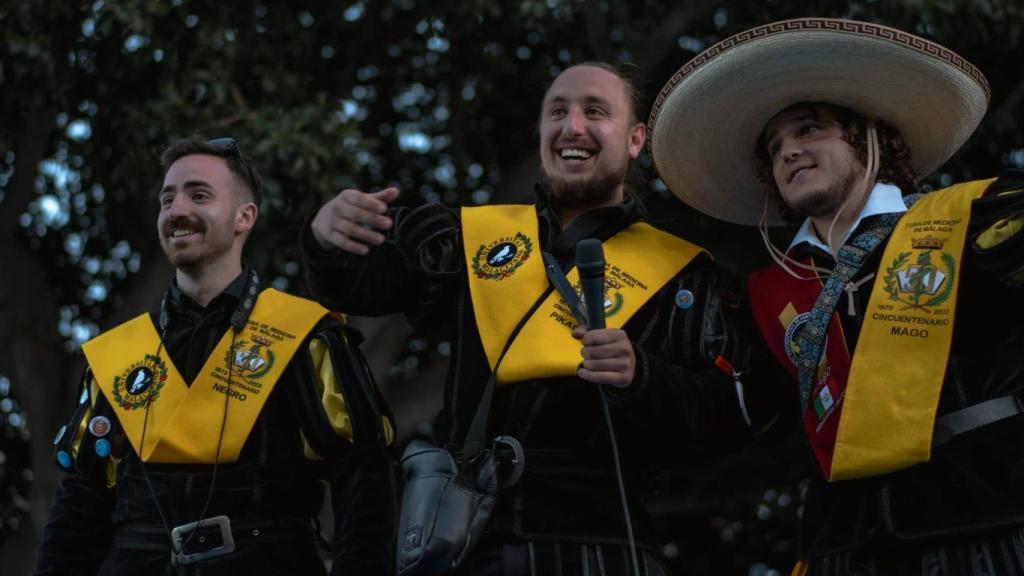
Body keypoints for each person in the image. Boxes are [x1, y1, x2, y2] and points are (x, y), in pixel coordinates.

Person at [301, 63, 772, 575]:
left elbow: (740, 416)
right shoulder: (471, 238)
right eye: (557, 112)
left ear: (636, 140)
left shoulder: (685, 276)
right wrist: (327, 238)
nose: (572, 126)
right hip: (468, 540)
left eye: (595, 111)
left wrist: (642, 376)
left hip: (604, 546)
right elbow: (360, 286)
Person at [648, 17, 1024, 575]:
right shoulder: (767, 294)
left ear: (867, 135)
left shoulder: (972, 216)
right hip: (842, 546)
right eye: (775, 149)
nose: (789, 153)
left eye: (808, 130)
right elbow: (735, 415)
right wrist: (637, 376)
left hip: (991, 522)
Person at [33, 137, 396, 575]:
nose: (177, 210)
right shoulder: (120, 355)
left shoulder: (303, 334)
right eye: (167, 199)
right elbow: (79, 505)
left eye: (199, 195)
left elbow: (364, 477)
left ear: (245, 216)